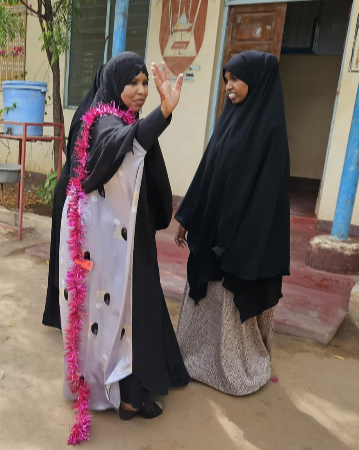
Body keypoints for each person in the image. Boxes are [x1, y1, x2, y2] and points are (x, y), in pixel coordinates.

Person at [59, 52, 190, 443]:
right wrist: (163, 114)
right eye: (132, 83)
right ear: (115, 83)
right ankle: (126, 395)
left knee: (137, 307)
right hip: (110, 244)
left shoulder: (123, 118)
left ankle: (136, 383)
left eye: (144, 83)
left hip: (130, 236)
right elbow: (120, 144)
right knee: (119, 312)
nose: (140, 91)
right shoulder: (103, 122)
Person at [174, 51, 290, 396]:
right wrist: (187, 217)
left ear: (256, 81)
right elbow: (208, 170)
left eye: (236, 79)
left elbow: (267, 199)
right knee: (205, 297)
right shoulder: (229, 120)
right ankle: (197, 357)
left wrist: (238, 238)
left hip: (241, 238)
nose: (229, 86)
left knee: (230, 301)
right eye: (226, 80)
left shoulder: (270, 132)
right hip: (213, 230)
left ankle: (232, 368)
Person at [42, 64, 105, 330]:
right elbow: (82, 165)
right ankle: (66, 318)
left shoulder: (105, 111)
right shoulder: (89, 116)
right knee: (72, 257)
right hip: (74, 195)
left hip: (80, 194)